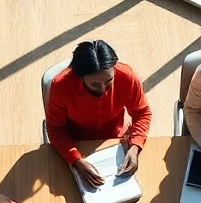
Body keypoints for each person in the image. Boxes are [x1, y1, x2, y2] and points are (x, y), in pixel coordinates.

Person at [45, 40, 153, 188]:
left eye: (109, 81)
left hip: (117, 138)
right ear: (79, 77)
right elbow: (55, 128)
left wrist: (134, 147)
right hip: (76, 143)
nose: (103, 90)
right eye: (94, 85)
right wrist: (76, 161)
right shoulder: (60, 86)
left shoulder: (128, 77)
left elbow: (142, 113)